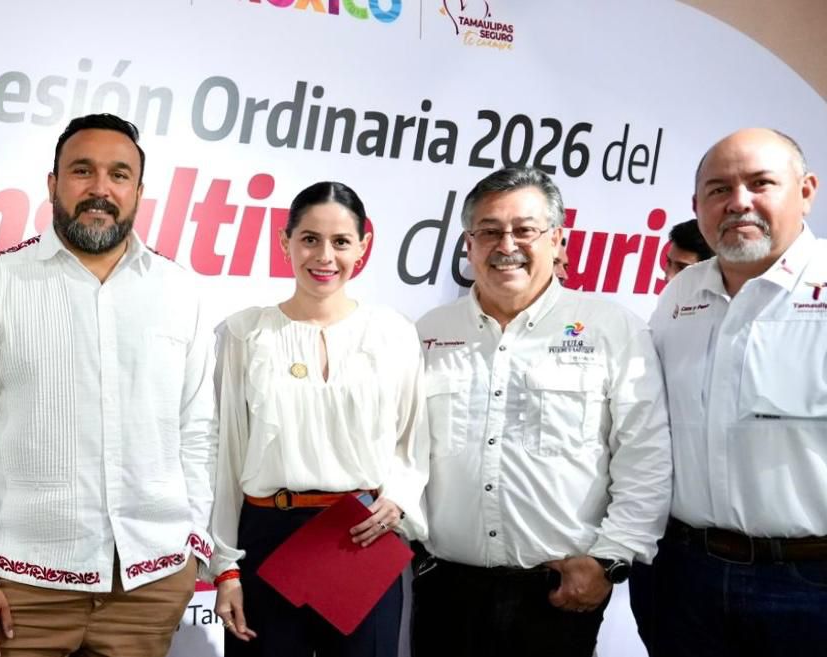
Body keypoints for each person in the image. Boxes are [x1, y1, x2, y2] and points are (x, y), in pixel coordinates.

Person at [0, 113, 216, 657]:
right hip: (20, 589)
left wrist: (194, 548)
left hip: (149, 586)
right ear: (53, 184)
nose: (100, 188)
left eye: (119, 175)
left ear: (139, 191)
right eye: (82, 171)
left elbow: (198, 430)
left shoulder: (179, 290)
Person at [411, 166, 671, 657]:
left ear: (557, 240)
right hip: (446, 590)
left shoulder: (611, 328)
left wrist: (609, 561)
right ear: (469, 244)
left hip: (558, 595)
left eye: (525, 229)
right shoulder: (428, 332)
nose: (506, 244)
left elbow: (646, 457)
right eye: (489, 231)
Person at [209, 181, 427, 657]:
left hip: (362, 537)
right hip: (266, 537)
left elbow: (412, 441)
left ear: (363, 246)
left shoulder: (393, 333)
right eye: (310, 239)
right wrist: (226, 566)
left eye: (341, 241)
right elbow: (223, 458)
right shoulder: (245, 334)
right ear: (284, 241)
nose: (325, 256)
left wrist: (397, 499)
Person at [648, 128, 825, 657]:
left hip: (809, 585)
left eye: (760, 183)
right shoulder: (680, 293)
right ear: (697, 205)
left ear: (806, 191)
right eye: (719, 189)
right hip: (683, 576)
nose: (738, 202)